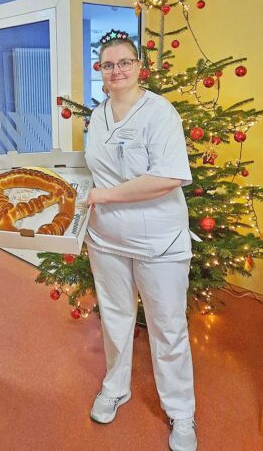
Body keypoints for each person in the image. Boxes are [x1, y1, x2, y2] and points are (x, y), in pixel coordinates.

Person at [84, 30, 197, 451]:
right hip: (107, 238)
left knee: (167, 326)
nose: (116, 70)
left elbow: (168, 177)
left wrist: (103, 196)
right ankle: (116, 387)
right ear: (99, 70)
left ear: (139, 67)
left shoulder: (160, 113)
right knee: (115, 318)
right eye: (108, 64)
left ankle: (181, 412)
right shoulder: (98, 116)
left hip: (158, 242)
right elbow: (95, 168)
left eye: (124, 62)